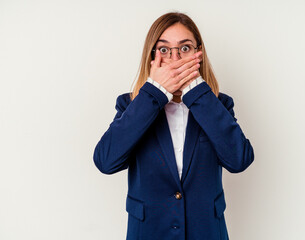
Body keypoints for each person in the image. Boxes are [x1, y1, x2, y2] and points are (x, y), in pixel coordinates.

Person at [93, 11, 255, 240]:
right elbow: (106, 161)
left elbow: (239, 160)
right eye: (164, 50)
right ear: (152, 56)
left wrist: (198, 93)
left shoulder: (218, 104)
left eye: (185, 48)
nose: (175, 59)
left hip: (206, 232)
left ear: (199, 53)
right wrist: (154, 93)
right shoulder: (131, 105)